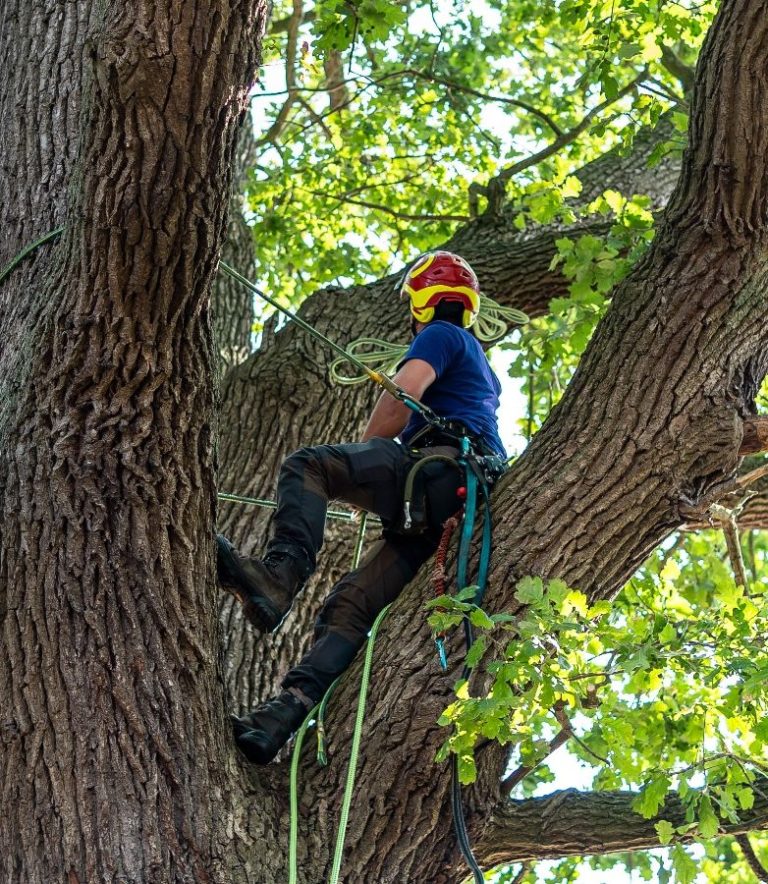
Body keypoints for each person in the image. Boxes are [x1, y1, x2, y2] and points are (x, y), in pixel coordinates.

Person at [216, 250, 506, 764]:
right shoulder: (480, 366)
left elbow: (402, 395)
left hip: (438, 472)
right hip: (450, 507)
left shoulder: (440, 335)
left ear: (420, 300)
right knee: (350, 605)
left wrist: (363, 461)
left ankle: (279, 576)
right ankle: (278, 721)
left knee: (311, 467)